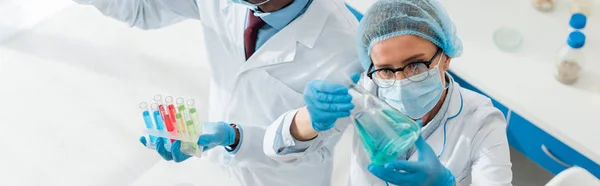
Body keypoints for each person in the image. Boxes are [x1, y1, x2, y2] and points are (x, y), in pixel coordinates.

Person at [72, 0, 361, 185]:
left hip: (284, 179)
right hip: (222, 167)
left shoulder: (347, 48)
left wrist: (234, 136)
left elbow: (314, 151)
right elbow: (142, 8)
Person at [263, 0, 514, 185]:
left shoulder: (482, 123)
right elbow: (273, 149)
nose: (400, 81)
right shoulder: (367, 93)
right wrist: (309, 119)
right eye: (385, 70)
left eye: (416, 65)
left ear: (446, 57)